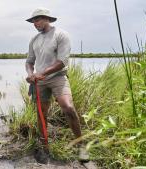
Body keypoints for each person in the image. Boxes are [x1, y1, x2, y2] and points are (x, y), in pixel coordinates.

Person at [25, 8, 87, 164]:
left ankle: (81, 146)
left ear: (47, 19)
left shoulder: (61, 35)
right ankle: (44, 144)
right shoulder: (34, 39)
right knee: (41, 113)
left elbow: (62, 62)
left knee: (68, 107)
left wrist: (42, 73)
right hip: (40, 81)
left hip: (58, 77)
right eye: (33, 21)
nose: (35, 23)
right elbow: (29, 61)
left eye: (38, 19)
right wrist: (30, 74)